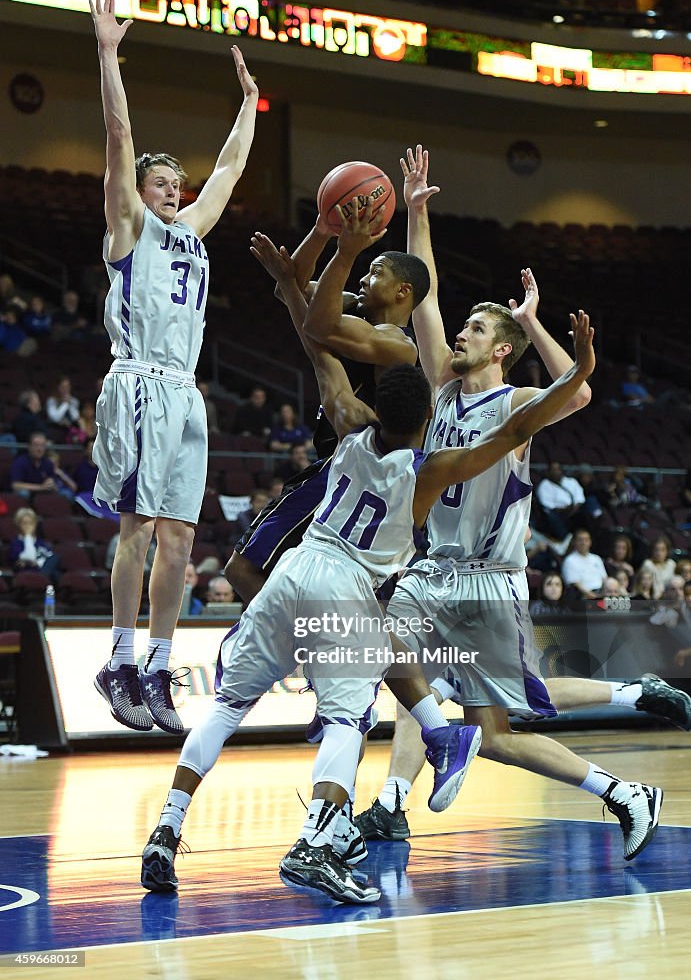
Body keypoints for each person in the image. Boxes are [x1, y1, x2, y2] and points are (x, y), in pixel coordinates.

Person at [140, 288, 596, 904]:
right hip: (346, 586)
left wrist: (291, 287)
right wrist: (583, 369)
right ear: (427, 420)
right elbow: (516, 427)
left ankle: (166, 830)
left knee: (226, 707)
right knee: (345, 723)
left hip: (295, 571)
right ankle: (316, 844)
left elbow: (324, 357)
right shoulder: (430, 469)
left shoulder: (352, 431)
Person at [355, 146, 666, 863]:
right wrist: (418, 210)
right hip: (433, 572)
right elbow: (422, 294)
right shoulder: (437, 386)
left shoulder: (517, 404)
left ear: (500, 352)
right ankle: (390, 805)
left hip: (490, 583)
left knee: (498, 731)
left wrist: (534, 322)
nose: (458, 332)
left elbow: (579, 392)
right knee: (394, 660)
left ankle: (622, 792)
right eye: (460, 326)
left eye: (476, 329)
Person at [88, 0, 258, 736]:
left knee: (181, 540)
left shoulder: (192, 229)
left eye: (174, 185)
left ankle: (158, 665)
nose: (173, 189)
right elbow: (119, 135)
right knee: (137, 528)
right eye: (161, 182)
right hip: (136, 384)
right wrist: (105, 55)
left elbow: (226, 171)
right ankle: (118, 658)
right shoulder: (129, 227)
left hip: (185, 394)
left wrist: (251, 102)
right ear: (138, 191)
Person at [226, 200, 425, 605]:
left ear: (402, 291)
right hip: (336, 463)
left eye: (376, 272)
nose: (365, 279)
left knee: (243, 569)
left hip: (353, 470)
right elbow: (292, 286)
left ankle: (304, 646)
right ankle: (326, 652)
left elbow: (316, 326)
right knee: (347, 601)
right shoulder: (354, 307)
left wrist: (347, 252)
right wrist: (322, 230)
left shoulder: (397, 344)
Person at [535, 461, 585, 550]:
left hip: (574, 510)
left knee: (587, 514)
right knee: (551, 516)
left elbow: (580, 498)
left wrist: (574, 508)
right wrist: (563, 509)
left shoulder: (571, 481)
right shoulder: (544, 485)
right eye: (553, 470)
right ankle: (565, 540)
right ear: (548, 472)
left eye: (558, 469)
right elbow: (546, 504)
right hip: (557, 512)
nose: (556, 472)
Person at [9, 508, 61, 585]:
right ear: (18, 524)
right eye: (25, 523)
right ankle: (42, 579)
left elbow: (51, 560)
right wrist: (28, 536)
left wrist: (37, 563)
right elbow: (29, 557)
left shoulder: (41, 542)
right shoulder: (16, 543)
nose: (28, 526)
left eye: (31, 523)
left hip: (45, 572)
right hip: (28, 574)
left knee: (55, 561)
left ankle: (44, 579)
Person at [561, 529, 608, 599]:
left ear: (590, 542)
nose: (583, 543)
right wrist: (595, 597)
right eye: (580, 540)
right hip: (584, 596)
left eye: (586, 540)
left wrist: (605, 594)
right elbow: (575, 584)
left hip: (602, 592)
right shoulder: (570, 560)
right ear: (574, 542)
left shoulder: (596, 558)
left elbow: (605, 579)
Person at [10, 433, 58, 499]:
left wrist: (51, 484)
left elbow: (53, 483)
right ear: (29, 447)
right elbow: (15, 485)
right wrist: (41, 487)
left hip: (42, 493)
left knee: (65, 493)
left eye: (42, 445)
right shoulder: (20, 462)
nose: (39, 449)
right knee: (23, 493)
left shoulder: (48, 463)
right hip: (27, 493)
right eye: (36, 445)